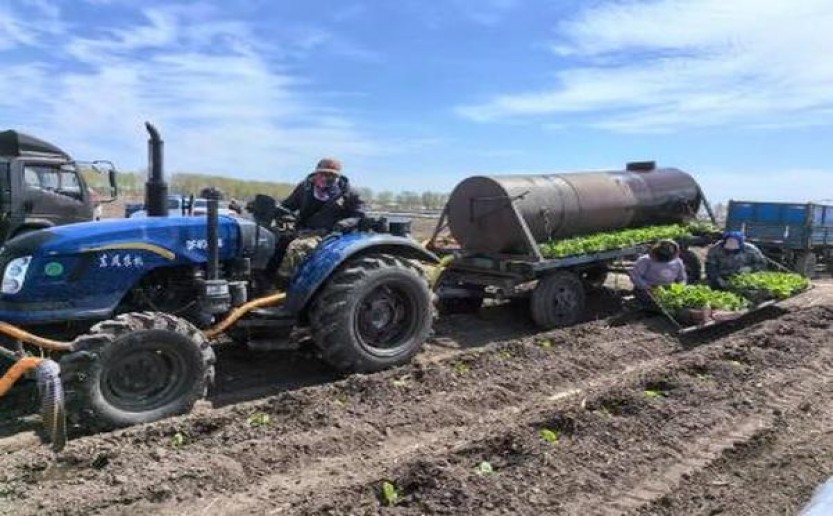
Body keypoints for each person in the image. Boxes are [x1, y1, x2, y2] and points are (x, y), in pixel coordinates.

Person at [273, 158, 365, 283]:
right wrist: (274, 209)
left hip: (330, 233)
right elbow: (288, 205)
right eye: (321, 173)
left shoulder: (349, 193)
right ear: (316, 173)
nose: (324, 178)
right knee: (274, 240)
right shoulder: (305, 187)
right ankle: (265, 278)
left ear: (337, 176)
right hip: (303, 229)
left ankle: (284, 285)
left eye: (330, 175)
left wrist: (343, 224)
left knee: (298, 247)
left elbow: (358, 215)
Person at [629, 239, 688, 308]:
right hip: (647, 289)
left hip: (668, 288)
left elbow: (682, 278)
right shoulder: (645, 260)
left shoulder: (678, 262)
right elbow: (635, 276)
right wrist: (649, 288)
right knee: (656, 304)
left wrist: (679, 288)